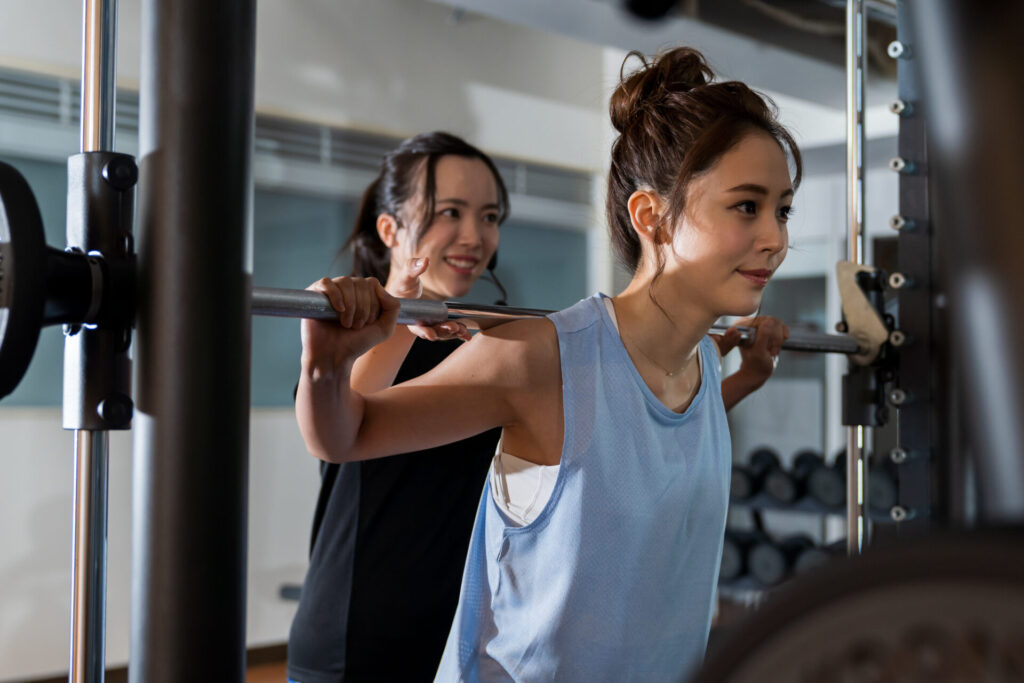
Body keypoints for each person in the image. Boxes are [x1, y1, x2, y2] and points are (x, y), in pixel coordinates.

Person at [296, 46, 797, 681]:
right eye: (746, 207)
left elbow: (628, 449)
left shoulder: (698, 357)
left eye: (782, 209)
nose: (776, 238)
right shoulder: (537, 357)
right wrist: (325, 366)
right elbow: (347, 435)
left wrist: (743, 378)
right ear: (652, 218)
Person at [287, 131, 512, 683]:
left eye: (488, 216)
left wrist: (723, 379)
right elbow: (336, 431)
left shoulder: (496, 344)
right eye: (448, 212)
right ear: (390, 229)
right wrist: (327, 365)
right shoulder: (359, 337)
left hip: (459, 640)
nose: (473, 235)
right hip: (357, 641)